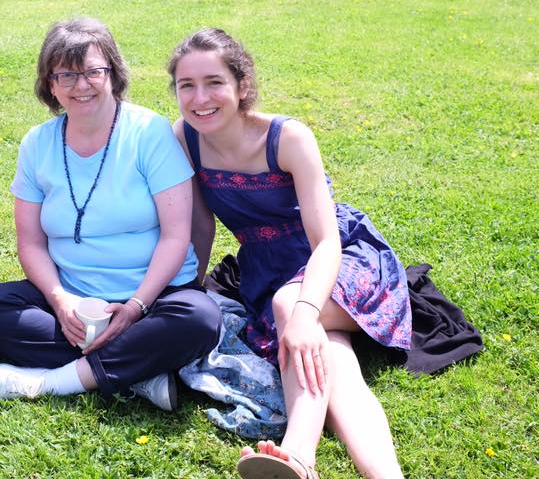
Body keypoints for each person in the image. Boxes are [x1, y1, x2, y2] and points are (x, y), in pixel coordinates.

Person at [168, 28, 411, 478]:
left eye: (214, 82)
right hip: (268, 269)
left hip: (341, 259)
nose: (200, 97)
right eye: (187, 85)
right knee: (333, 362)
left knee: (293, 311)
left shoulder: (288, 137)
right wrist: (186, 288)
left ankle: (299, 452)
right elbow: (200, 225)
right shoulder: (186, 137)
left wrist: (300, 313)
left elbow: (326, 243)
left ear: (242, 86)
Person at [0, 18, 220, 411]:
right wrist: (60, 300)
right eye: (66, 74)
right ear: (50, 84)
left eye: (94, 72)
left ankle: (55, 381)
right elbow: (30, 242)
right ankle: (139, 370)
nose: (81, 86)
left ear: (113, 74)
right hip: (74, 297)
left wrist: (136, 308)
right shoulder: (38, 144)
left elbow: (175, 235)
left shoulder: (149, 132)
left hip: (154, 296)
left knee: (200, 319)